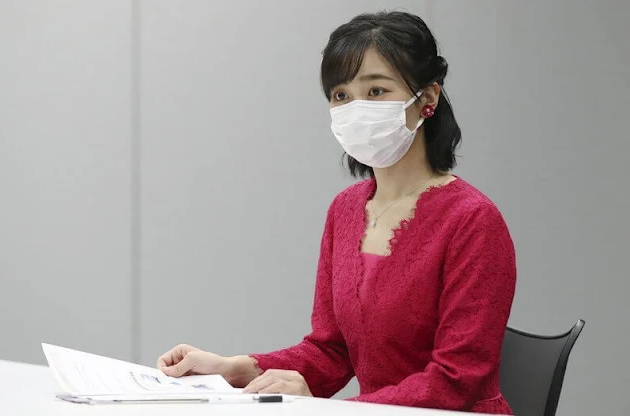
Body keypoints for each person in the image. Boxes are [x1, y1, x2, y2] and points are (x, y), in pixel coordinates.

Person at [157, 11, 516, 414]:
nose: (356, 108)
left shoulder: (473, 220)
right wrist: (233, 368)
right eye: (341, 96)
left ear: (428, 99)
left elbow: (457, 380)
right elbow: (332, 349)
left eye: (377, 91)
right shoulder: (345, 210)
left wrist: (332, 409)